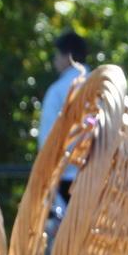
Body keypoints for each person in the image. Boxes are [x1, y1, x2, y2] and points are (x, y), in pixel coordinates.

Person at [40, 31, 90, 201]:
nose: (55, 61)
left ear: (67, 57)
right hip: (99, 177)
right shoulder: (101, 87)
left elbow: (48, 137)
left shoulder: (58, 91)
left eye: (57, 55)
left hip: (65, 178)